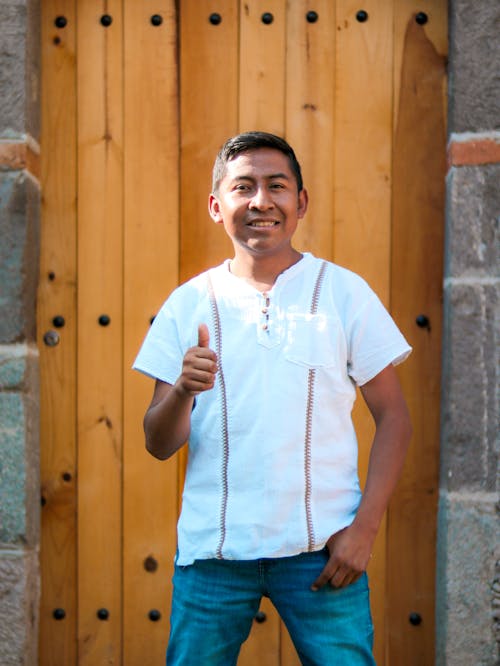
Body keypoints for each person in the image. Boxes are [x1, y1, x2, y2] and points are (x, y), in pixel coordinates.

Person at [133, 131, 412, 665]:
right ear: (218, 207)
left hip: (323, 552)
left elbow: (395, 419)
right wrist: (183, 393)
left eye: (276, 186)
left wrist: (363, 530)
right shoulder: (188, 303)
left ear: (300, 203)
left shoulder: (343, 292)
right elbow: (157, 442)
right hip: (213, 554)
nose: (261, 201)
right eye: (244, 188)